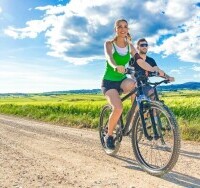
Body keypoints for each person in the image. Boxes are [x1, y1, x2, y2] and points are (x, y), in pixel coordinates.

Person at [101, 19, 165, 150]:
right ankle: (109, 135)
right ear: (116, 29)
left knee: (137, 85)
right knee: (118, 108)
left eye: (125, 27)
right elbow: (109, 57)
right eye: (120, 27)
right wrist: (115, 66)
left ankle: (134, 116)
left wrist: (154, 69)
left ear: (127, 29)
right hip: (109, 83)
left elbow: (140, 61)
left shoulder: (130, 46)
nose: (123, 29)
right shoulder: (109, 44)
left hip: (122, 80)